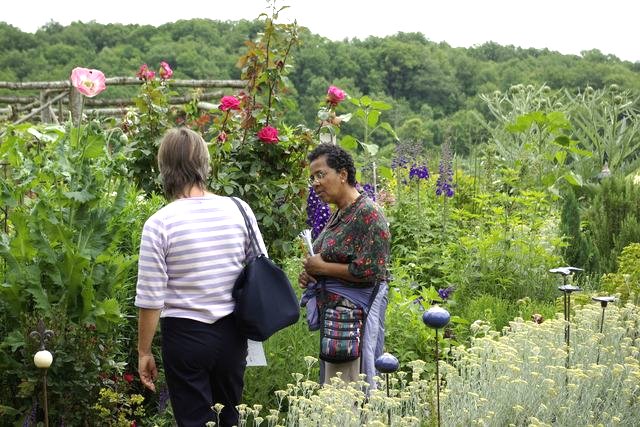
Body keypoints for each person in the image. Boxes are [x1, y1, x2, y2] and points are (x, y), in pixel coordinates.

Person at [135, 127, 267, 427]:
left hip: (185, 336)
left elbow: (151, 298)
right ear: (204, 163)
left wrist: (144, 351)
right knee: (228, 417)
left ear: (164, 167)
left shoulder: (159, 224)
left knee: (194, 420)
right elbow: (259, 267)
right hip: (233, 333)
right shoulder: (239, 209)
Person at [299, 143, 390, 386]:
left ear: (342, 175)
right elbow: (328, 257)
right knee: (335, 393)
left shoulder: (368, 213)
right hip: (336, 322)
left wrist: (322, 269)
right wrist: (311, 274)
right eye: (312, 178)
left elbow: (371, 271)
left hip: (352, 323)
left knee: (349, 392)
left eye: (321, 174)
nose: (315, 183)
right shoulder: (340, 212)